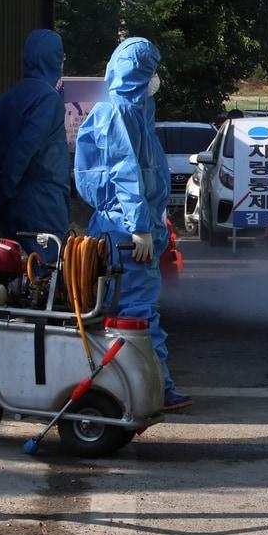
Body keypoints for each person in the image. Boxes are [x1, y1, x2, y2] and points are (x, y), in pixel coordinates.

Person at [74, 37, 191, 411]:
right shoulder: (120, 113)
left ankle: (123, 385)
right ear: (140, 72)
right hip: (126, 231)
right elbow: (124, 173)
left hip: (126, 227)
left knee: (117, 312)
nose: (154, 78)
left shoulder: (133, 110)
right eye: (151, 70)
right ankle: (155, 388)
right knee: (138, 313)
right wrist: (139, 224)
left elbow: (143, 173)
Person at [0, 29, 70, 255]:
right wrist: (9, 185)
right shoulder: (48, 99)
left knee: (11, 268)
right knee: (44, 273)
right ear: (54, 59)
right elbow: (26, 146)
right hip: (41, 201)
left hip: (7, 204)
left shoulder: (5, 98)